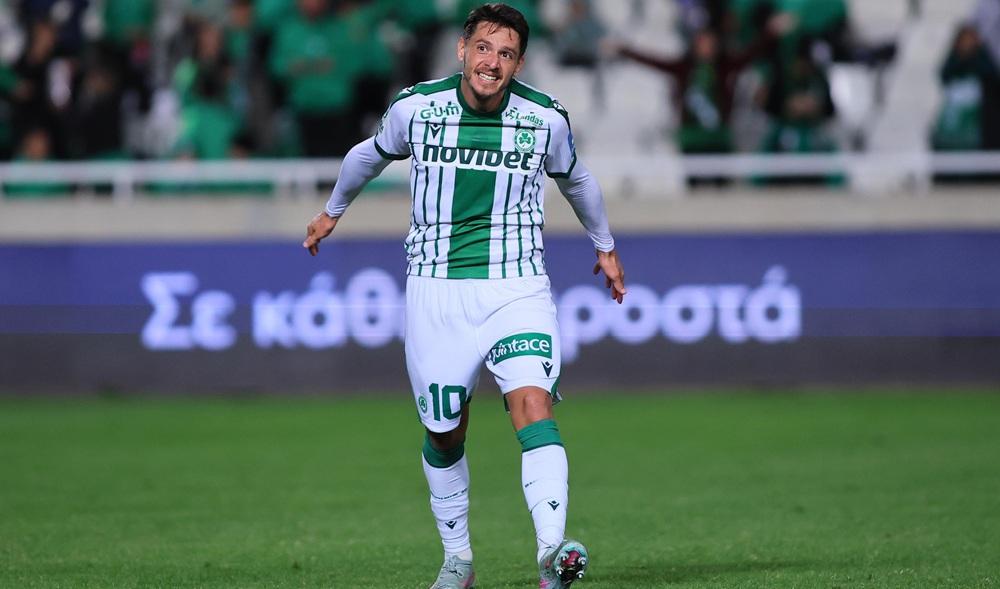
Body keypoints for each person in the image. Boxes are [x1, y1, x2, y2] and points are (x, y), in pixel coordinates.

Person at [302, 4, 626, 588]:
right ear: (462, 50)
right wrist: (332, 211)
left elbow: (576, 179)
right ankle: (459, 560)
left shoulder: (543, 119)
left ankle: (552, 552)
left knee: (533, 405)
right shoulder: (417, 108)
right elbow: (368, 154)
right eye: (483, 48)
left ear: (518, 64)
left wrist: (604, 245)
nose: (492, 63)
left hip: (516, 285)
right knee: (445, 431)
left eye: (506, 54)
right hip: (436, 291)